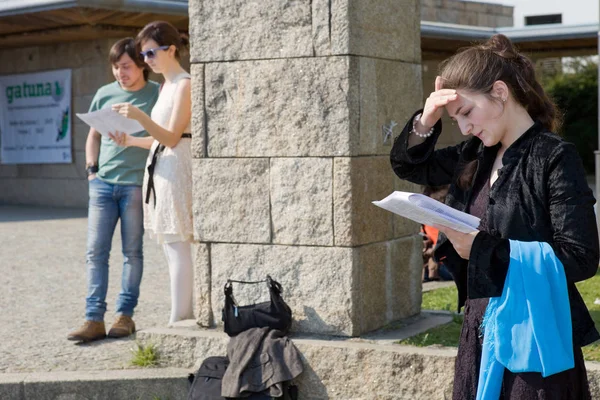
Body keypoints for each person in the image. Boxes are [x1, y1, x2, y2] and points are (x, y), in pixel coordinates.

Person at [391, 34, 599, 399]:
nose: (466, 128)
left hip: (533, 336)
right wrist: (428, 117)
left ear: (500, 92)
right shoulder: (475, 155)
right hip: (481, 327)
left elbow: (581, 257)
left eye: (467, 112)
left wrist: (483, 249)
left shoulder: (553, 156)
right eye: (457, 121)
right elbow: (411, 167)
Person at [68, 38, 160, 342]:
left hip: (135, 185)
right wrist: (91, 170)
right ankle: (93, 319)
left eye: (126, 66)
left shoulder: (156, 94)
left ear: (141, 66)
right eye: (116, 66)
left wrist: (133, 140)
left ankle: (125, 316)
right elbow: (93, 135)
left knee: (132, 253)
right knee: (95, 252)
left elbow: (163, 139)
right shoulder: (104, 93)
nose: (120, 72)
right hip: (103, 185)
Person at [110, 21, 194, 325]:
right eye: (143, 55)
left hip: (175, 166)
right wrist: (130, 139)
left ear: (171, 49)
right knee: (171, 245)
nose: (146, 60)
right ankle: (182, 313)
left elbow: (172, 137)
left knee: (178, 242)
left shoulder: (185, 83)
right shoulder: (165, 85)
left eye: (150, 53)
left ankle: (180, 317)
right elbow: (162, 138)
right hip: (161, 165)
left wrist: (139, 116)